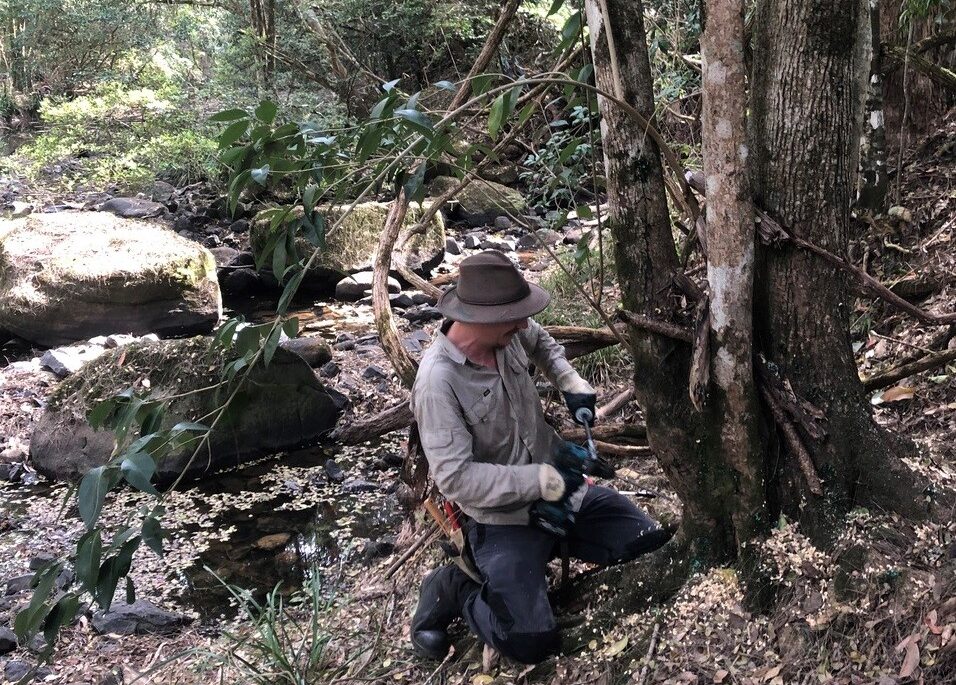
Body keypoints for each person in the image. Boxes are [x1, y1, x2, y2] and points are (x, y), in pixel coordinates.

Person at [409, 250, 670, 664]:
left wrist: (570, 381)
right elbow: (456, 479)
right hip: (501, 520)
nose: (521, 323)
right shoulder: (438, 383)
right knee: (531, 640)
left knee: (649, 542)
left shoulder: (508, 329)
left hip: (559, 486)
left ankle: (550, 545)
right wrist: (542, 481)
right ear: (479, 318)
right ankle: (455, 587)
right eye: (513, 317)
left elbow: (541, 341)